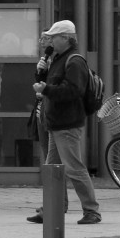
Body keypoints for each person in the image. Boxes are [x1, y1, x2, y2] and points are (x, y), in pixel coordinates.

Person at [25, 20, 101, 225]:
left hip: (67, 124)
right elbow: (52, 85)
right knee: (53, 168)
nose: (50, 40)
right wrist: (41, 74)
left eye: (54, 37)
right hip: (57, 123)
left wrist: (46, 90)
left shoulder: (74, 61)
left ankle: (91, 210)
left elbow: (73, 91)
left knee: (74, 168)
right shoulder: (58, 59)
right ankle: (53, 208)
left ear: (66, 38)